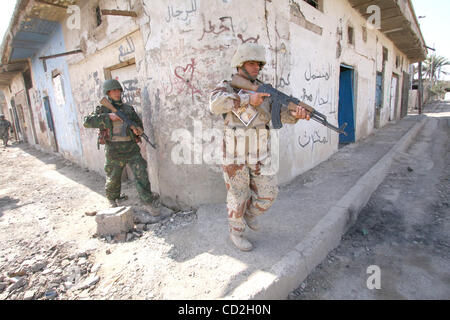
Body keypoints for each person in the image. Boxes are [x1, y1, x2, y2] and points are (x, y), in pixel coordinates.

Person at [209, 43, 310, 251]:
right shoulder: (227, 86)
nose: (257, 68)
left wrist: (295, 114)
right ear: (240, 65)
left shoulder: (265, 90)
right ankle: (236, 232)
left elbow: (279, 114)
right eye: (252, 63)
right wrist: (246, 99)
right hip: (234, 156)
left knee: (269, 193)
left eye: (259, 64)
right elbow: (215, 105)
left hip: (260, 154)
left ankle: (249, 215)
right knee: (238, 196)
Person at [83, 79, 160, 214]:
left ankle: (147, 201)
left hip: (131, 148)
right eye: (114, 91)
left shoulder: (128, 109)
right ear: (108, 93)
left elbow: (138, 124)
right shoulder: (103, 108)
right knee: (113, 176)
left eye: (118, 90)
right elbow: (87, 122)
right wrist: (108, 117)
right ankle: (113, 201)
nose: (117, 93)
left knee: (141, 172)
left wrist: (138, 130)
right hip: (113, 149)